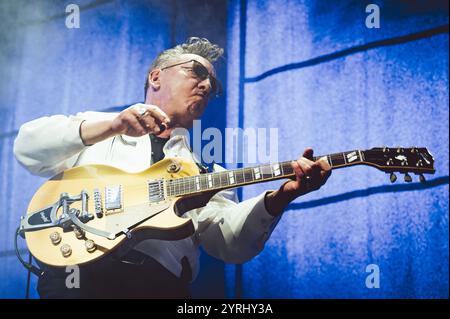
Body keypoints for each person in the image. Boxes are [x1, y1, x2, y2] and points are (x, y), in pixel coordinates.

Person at [13, 37, 331, 298]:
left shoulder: (206, 170)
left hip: (158, 286)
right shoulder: (99, 127)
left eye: (212, 83)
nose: (207, 85)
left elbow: (230, 242)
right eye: (196, 72)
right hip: (79, 276)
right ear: (156, 76)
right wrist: (111, 125)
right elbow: (28, 147)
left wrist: (282, 196)